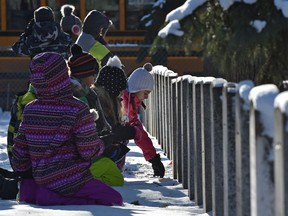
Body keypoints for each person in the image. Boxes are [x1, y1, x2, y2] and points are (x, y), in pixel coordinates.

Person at [11, 52, 123, 206]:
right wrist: (104, 144)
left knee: (35, 188)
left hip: (38, 179)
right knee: (114, 199)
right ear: (63, 76)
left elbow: (20, 152)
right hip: (71, 179)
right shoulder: (77, 108)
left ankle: (39, 194)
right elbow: (88, 151)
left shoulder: (30, 109)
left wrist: (26, 175)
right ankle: (54, 198)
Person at [67, 44, 127, 186]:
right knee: (116, 180)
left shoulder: (89, 93)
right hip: (80, 157)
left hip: (85, 151)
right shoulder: (80, 96)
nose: (95, 78)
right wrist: (105, 141)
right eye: (93, 74)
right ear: (83, 74)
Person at [92, 55, 136, 171]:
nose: (122, 95)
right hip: (95, 150)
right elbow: (107, 131)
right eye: (120, 91)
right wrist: (129, 132)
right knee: (123, 139)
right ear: (114, 89)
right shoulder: (100, 103)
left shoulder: (104, 99)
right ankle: (112, 169)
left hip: (98, 146)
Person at [123, 63, 165, 178]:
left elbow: (140, 133)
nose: (146, 97)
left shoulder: (132, 102)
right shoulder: (124, 102)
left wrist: (153, 158)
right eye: (145, 93)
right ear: (137, 88)